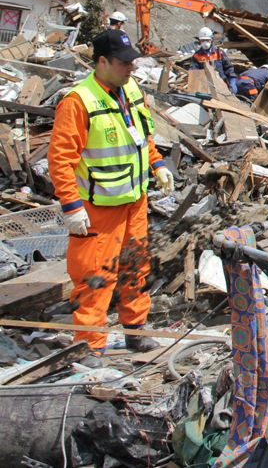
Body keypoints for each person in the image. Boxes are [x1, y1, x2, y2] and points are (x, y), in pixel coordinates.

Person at [48, 29, 174, 364]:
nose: (130, 68)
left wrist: (157, 163)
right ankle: (90, 344)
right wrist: (71, 205)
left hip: (133, 200)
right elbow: (61, 159)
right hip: (97, 207)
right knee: (94, 276)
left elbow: (141, 136)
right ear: (101, 61)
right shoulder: (78, 101)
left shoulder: (130, 89)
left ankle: (135, 328)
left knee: (136, 267)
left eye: (132, 62)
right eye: (123, 63)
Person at [191, 26, 238, 93]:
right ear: (199, 40)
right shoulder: (196, 56)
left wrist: (232, 81)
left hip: (222, 84)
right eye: (203, 40)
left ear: (211, 40)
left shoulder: (219, 52)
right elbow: (194, 72)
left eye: (207, 40)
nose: (205, 42)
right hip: (207, 86)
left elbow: (228, 67)